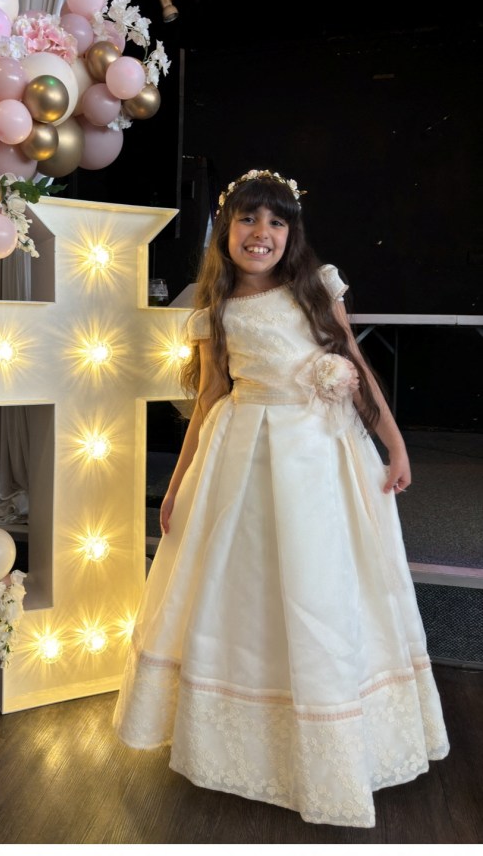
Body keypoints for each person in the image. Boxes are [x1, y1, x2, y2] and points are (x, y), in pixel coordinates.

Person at [113, 168, 449, 828]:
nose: (259, 233)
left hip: (324, 454)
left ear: (291, 234)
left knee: (324, 586)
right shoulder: (214, 310)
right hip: (245, 456)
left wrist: (393, 442)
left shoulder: (318, 289)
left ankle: (333, 730)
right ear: (225, 231)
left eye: (275, 222)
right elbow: (208, 398)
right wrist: (177, 482)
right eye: (246, 219)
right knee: (247, 588)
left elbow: (352, 366)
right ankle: (248, 739)